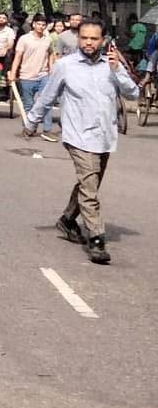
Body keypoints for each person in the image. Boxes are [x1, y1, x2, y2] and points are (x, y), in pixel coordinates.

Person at [23, 17, 138, 263]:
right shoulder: (66, 65)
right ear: (78, 39)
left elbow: (133, 93)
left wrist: (119, 71)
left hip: (105, 136)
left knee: (90, 183)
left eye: (93, 38)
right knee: (89, 187)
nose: (88, 42)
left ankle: (67, 220)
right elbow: (47, 95)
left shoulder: (112, 65)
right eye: (84, 38)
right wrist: (32, 122)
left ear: (103, 41)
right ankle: (96, 238)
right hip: (77, 135)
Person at [10, 12, 56, 140]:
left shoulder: (47, 40)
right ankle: (29, 128)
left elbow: (51, 54)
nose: (41, 27)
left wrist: (51, 70)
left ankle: (47, 130)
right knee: (28, 105)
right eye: (39, 24)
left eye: (43, 25)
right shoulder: (24, 39)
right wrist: (13, 73)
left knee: (46, 103)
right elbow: (18, 56)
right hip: (27, 76)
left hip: (43, 75)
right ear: (34, 25)